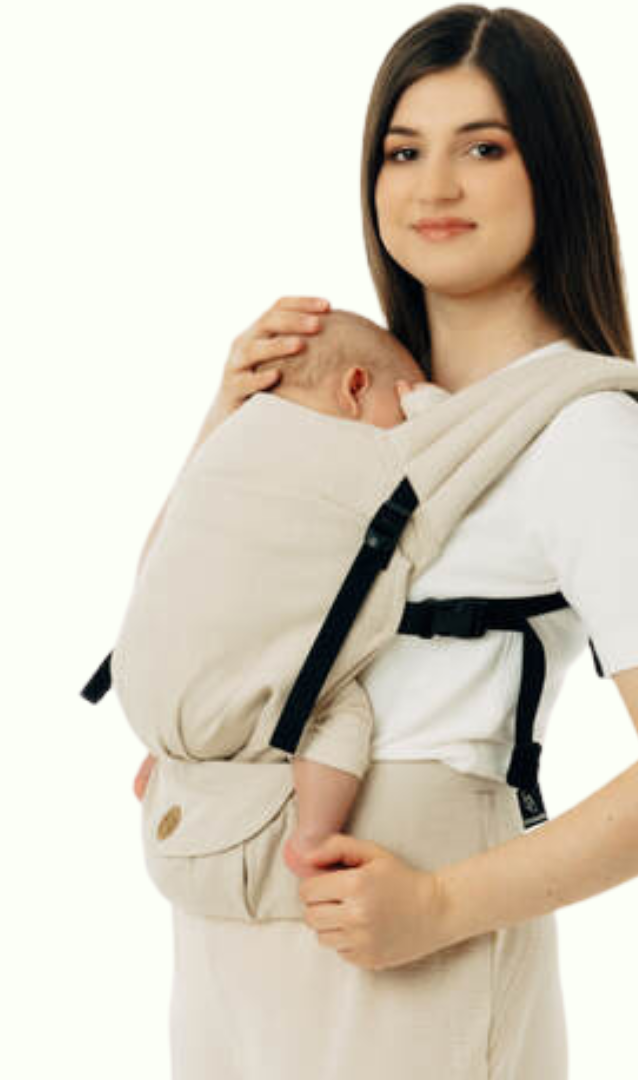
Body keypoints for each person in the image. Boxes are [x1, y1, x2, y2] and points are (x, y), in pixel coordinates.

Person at [135, 8, 638, 1078]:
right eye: (402, 151)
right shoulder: (344, 392)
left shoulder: (584, 431)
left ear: (552, 170)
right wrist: (227, 423)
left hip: (410, 931)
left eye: (483, 148)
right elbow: (179, 610)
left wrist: (437, 905)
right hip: (230, 930)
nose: (433, 187)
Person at [123, 308, 448, 882]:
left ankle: (174, 757)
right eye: (398, 401)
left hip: (141, 684)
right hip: (223, 701)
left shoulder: (229, 441)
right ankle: (314, 834)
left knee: (209, 644)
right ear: (354, 387)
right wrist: (427, 406)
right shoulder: (350, 456)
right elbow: (440, 450)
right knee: (335, 707)